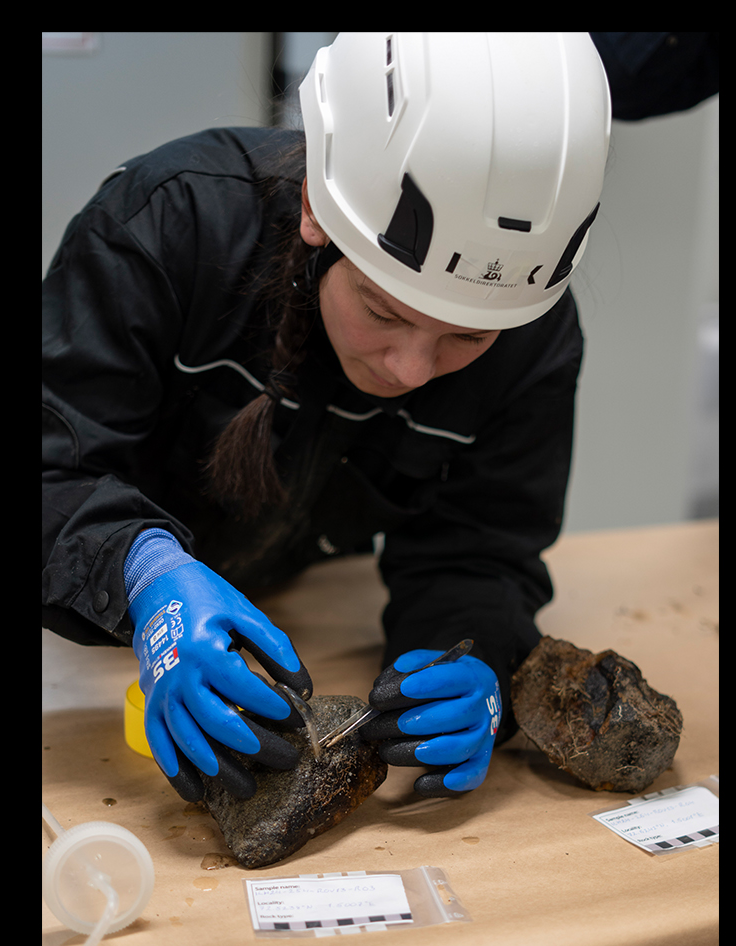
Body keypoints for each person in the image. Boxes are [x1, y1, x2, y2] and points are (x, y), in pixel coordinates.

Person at [43, 34, 616, 802]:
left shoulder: (532, 332)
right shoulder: (169, 221)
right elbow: (53, 459)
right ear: (315, 204)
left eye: (466, 338)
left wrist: (473, 655)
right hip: (83, 640)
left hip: (303, 617)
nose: (409, 369)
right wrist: (146, 576)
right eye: (382, 311)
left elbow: (479, 548)